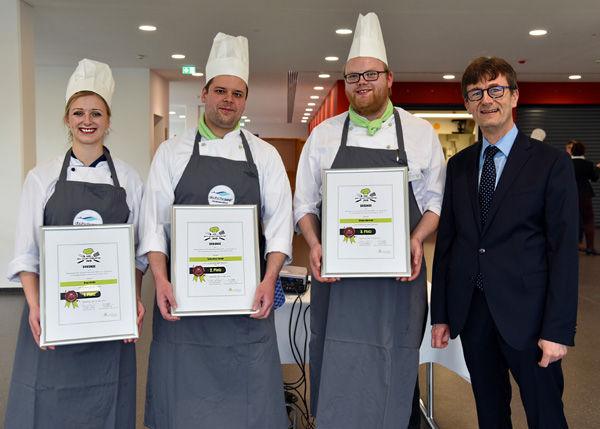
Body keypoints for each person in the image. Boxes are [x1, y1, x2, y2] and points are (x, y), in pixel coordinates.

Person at [293, 13, 445, 428]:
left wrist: (416, 240)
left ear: (389, 78)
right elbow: (303, 205)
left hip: (400, 276)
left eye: (371, 74)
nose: (362, 82)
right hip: (339, 282)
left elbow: (436, 203)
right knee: (339, 357)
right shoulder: (323, 136)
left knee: (396, 360)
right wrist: (316, 243)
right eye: (352, 76)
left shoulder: (419, 134)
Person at [138, 32, 293, 428]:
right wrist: (160, 280)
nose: (228, 99)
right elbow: (153, 223)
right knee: (183, 402)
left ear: (245, 100)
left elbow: (279, 225)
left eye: (237, 93)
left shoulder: (264, 155)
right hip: (184, 304)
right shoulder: (171, 152)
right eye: (220, 90)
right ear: (204, 93)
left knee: (250, 402)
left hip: (245, 301)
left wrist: (269, 278)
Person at [431, 56, 578, 428]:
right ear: (467, 103)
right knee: (490, 414)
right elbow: (450, 242)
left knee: (545, 414)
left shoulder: (549, 163)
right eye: (476, 92)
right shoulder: (460, 165)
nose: (487, 100)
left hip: (529, 317)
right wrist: (442, 315)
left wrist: (557, 330)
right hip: (474, 313)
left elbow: (563, 252)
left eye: (496, 89)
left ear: (514, 96)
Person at [5, 59, 146, 428]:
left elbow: (136, 254)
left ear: (109, 120)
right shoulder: (41, 178)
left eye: (97, 112)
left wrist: (131, 298)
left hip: (107, 314)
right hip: (55, 312)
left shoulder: (129, 179)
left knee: (107, 399)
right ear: (67, 119)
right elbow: (26, 254)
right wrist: (36, 308)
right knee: (48, 399)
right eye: (79, 112)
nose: (88, 120)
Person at [570, 140, 600, 255]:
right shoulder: (588, 164)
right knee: (588, 220)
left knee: (571, 220)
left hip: (571, 195)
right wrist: (597, 168)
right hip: (585, 195)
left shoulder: (567, 163)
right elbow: (594, 178)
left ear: (572, 151)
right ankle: (590, 247)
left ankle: (573, 246)